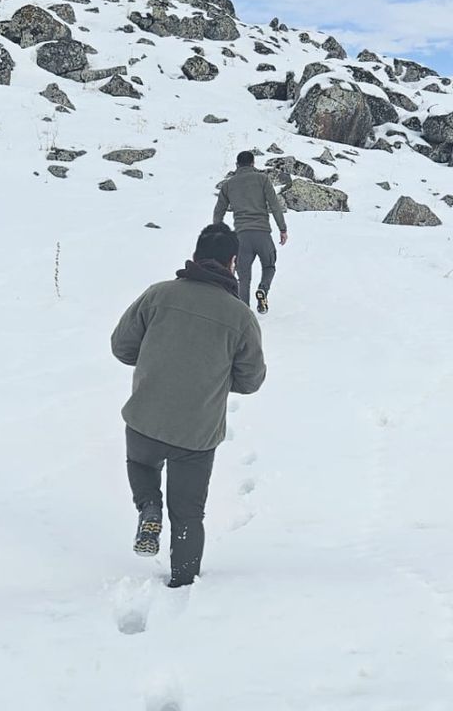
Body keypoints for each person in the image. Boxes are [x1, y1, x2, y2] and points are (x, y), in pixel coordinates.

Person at [110, 224, 267, 588]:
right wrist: (213, 378)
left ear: (196, 255)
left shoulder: (158, 295)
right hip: (196, 433)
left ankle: (149, 507)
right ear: (233, 263)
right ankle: (182, 587)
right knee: (188, 514)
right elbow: (251, 380)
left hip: (145, 417)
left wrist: (156, 361)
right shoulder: (240, 317)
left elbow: (121, 347)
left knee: (141, 464)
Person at [213, 150, 289, 314]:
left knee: (243, 277)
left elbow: (218, 211)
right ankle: (263, 289)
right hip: (262, 234)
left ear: (237, 165)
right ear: (253, 163)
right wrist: (282, 229)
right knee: (269, 266)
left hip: (241, 236)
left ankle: (244, 313)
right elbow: (275, 206)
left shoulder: (228, 185)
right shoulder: (262, 179)